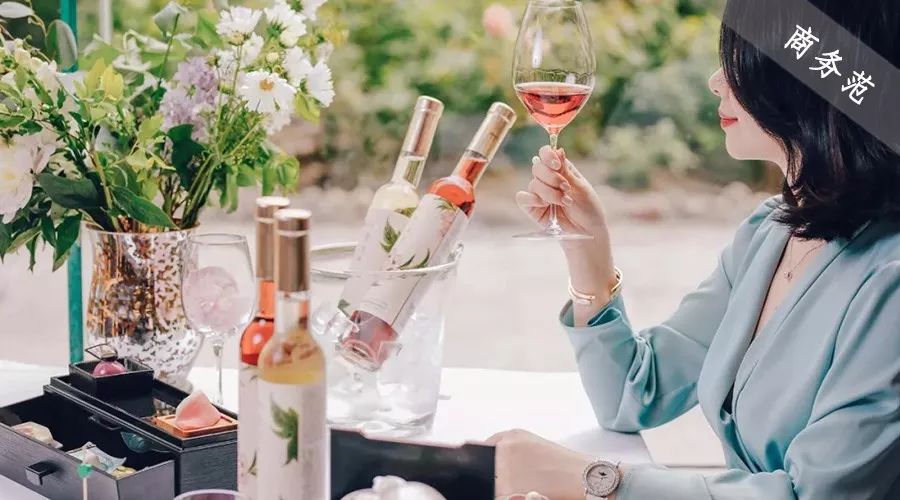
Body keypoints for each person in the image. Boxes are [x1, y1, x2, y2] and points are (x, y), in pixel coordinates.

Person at [490, 0, 900, 498]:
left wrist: (596, 480)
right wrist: (589, 249)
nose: (715, 81)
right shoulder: (770, 233)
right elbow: (633, 396)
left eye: (739, 60)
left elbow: (814, 494)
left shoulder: (889, 279)